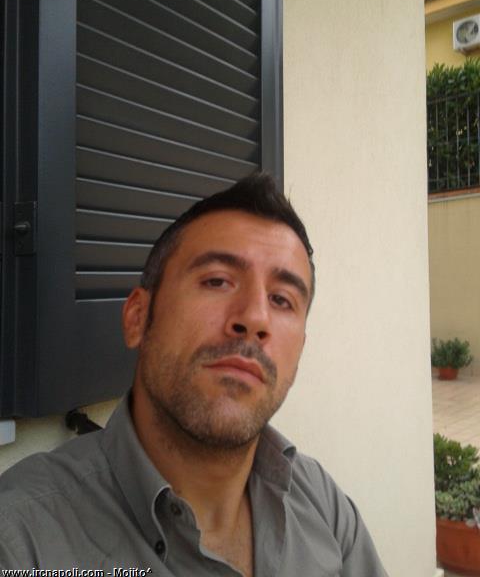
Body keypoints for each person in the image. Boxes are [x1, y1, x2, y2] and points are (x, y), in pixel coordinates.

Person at [0, 172, 388, 576]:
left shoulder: (325, 509)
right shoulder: (21, 543)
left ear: (300, 350)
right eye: (217, 281)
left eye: (281, 299)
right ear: (137, 318)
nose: (256, 318)